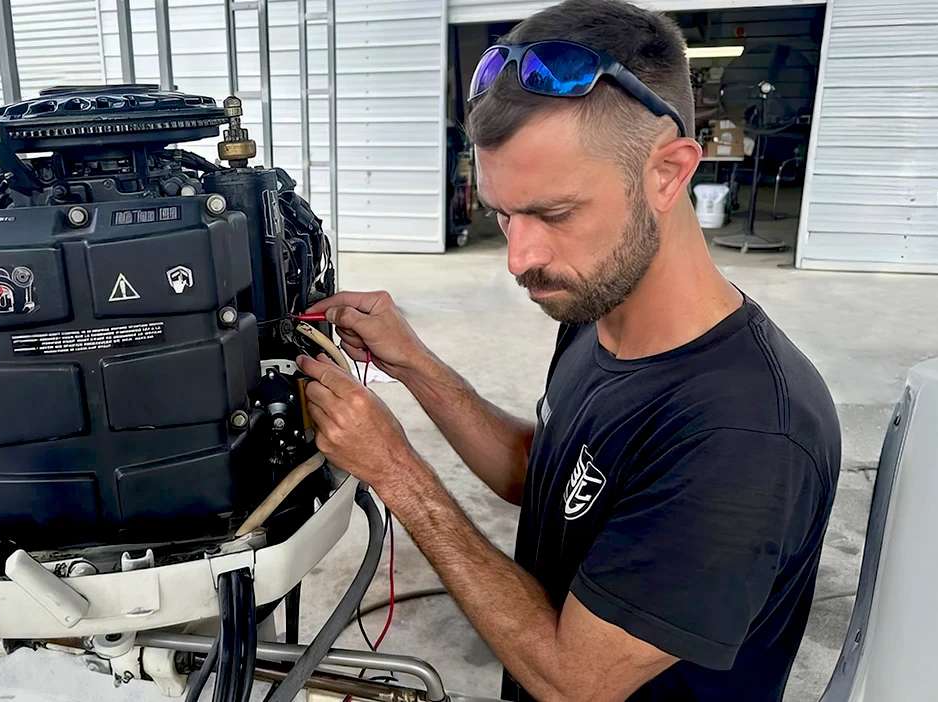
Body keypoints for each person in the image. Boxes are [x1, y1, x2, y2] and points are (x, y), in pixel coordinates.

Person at [296, 0, 841, 700]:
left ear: (670, 173)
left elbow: (575, 682)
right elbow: (551, 478)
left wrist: (399, 472)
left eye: (554, 213)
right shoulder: (598, 310)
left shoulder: (745, 434)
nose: (519, 257)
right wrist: (415, 364)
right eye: (503, 212)